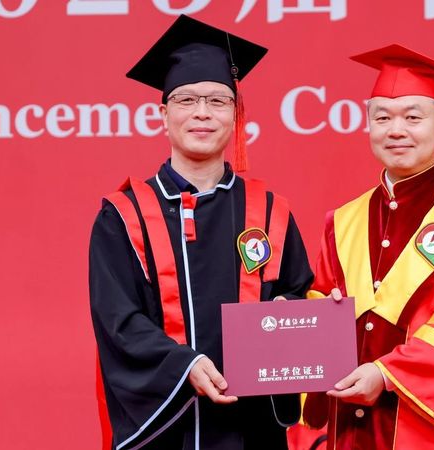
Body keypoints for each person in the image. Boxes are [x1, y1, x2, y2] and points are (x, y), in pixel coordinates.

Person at [89, 15, 313, 450]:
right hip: (165, 433)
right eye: (187, 99)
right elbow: (118, 323)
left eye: (217, 100)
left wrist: (291, 316)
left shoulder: (271, 212)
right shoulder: (124, 217)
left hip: (253, 432)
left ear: (236, 114)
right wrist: (183, 366)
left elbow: (299, 294)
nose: (202, 113)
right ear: (163, 114)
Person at [302, 44, 434, 449]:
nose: (396, 130)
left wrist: (386, 374)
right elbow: (317, 308)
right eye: (382, 117)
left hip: (424, 430)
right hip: (349, 430)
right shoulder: (343, 221)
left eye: (413, 117)